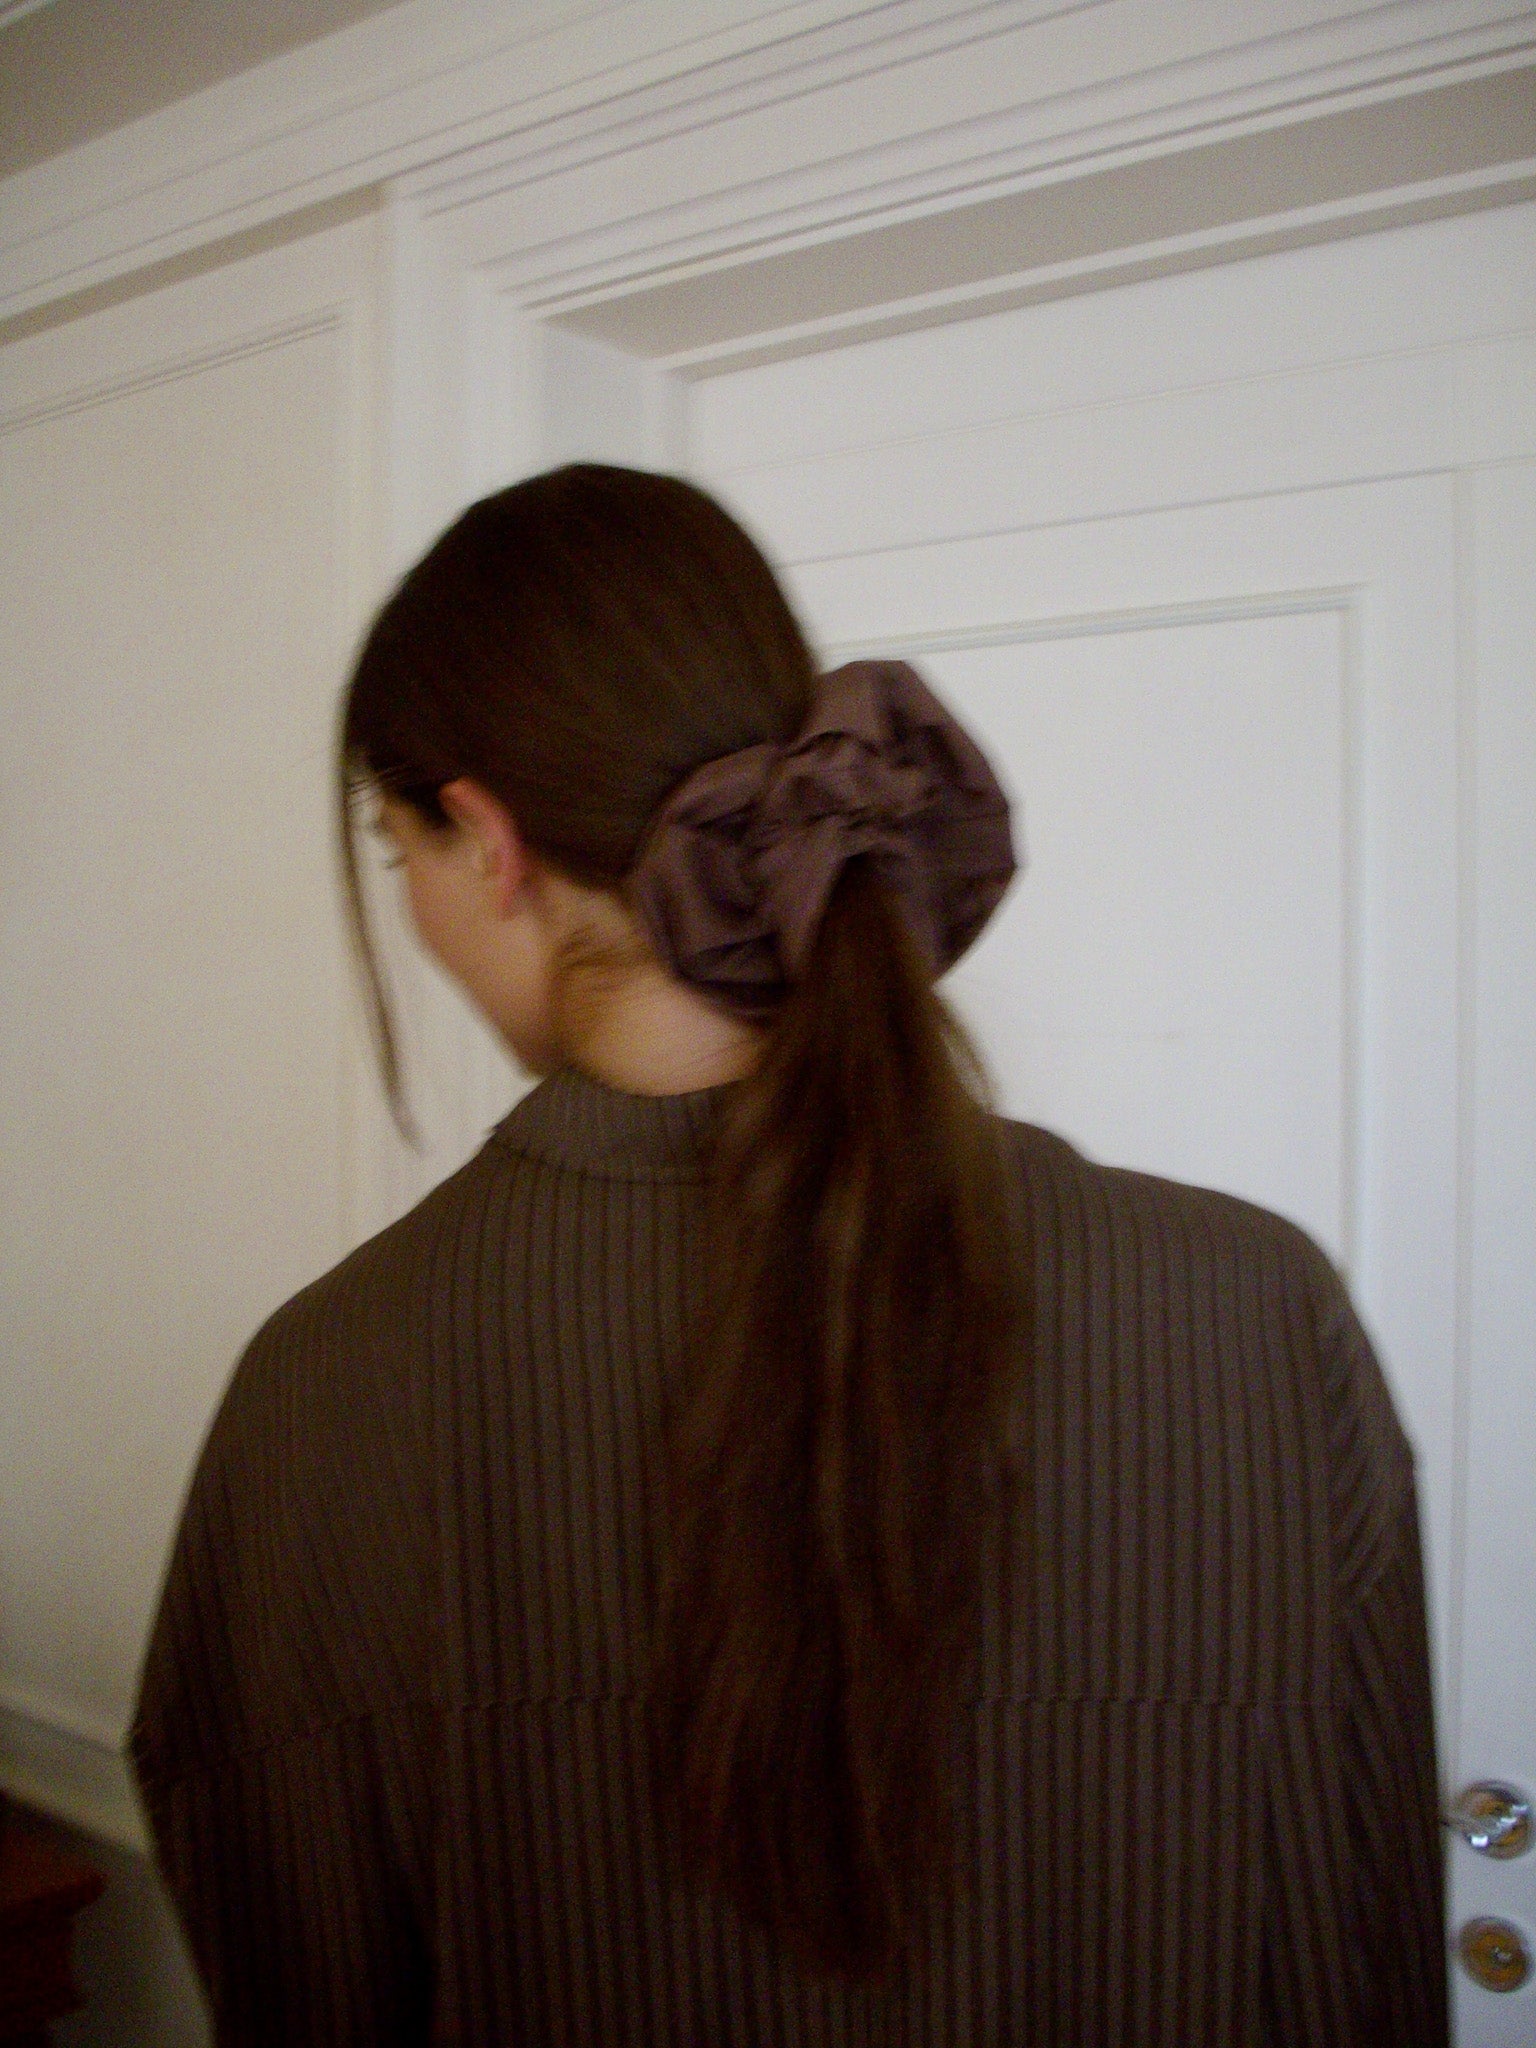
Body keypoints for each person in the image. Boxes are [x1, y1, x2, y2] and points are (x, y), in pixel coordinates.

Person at [132, 463, 1448, 2045]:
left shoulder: (319, 1401)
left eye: (391, 836)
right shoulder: (1258, 1316)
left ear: (486, 843)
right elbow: (1358, 1961)